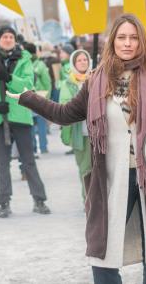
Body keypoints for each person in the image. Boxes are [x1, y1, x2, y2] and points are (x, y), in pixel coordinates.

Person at [12, 14, 146, 284]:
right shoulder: (96, 80)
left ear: (141, 40)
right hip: (112, 177)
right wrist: (28, 98)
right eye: (122, 37)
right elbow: (65, 113)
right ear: (112, 40)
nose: (128, 43)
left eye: (134, 37)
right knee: (102, 255)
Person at [0, 26, 50, 218]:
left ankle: (39, 199)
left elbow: (28, 84)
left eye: (10, 36)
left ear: (15, 40)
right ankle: (4, 202)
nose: (7, 39)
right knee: (2, 163)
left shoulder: (24, 59)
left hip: (20, 115)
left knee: (28, 160)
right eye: (4, 36)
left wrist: (9, 77)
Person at [58, 48, 92, 200]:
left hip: (98, 133)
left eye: (85, 59)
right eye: (79, 60)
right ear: (73, 63)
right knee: (85, 168)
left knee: (100, 169)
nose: (83, 62)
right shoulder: (68, 83)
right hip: (80, 133)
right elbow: (64, 104)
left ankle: (99, 200)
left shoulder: (96, 78)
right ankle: (87, 199)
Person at [24, 42, 51, 154]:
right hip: (35, 97)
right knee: (36, 124)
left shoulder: (33, 65)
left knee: (36, 124)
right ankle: (39, 147)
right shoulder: (36, 65)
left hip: (34, 97)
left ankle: (38, 147)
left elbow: (47, 82)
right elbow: (47, 83)